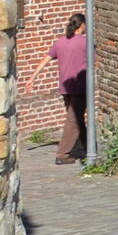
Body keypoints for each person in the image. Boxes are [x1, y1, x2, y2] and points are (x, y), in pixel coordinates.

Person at [49, 13, 88, 165]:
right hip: (80, 88)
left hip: (65, 88)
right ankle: (62, 155)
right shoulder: (85, 42)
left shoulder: (60, 42)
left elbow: (45, 60)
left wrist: (32, 79)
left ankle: (87, 148)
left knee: (77, 119)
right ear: (82, 25)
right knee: (73, 121)